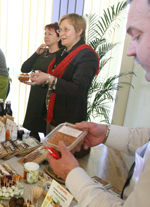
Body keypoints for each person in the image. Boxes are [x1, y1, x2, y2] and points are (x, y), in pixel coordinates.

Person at [47, 0, 150, 207]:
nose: (130, 51)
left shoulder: (85, 54)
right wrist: (106, 133)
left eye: (137, 36)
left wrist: (72, 174)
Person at [28, 13, 99, 157]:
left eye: (67, 29)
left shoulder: (86, 55)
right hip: (52, 115)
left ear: (79, 31)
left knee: (62, 160)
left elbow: (78, 88)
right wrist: (42, 79)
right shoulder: (62, 53)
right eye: (60, 30)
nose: (62, 34)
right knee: (51, 157)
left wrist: (48, 79)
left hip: (68, 118)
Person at [21, 22, 62, 141]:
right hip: (35, 94)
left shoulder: (60, 56)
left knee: (48, 133)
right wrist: (36, 53)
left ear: (59, 37)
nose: (46, 36)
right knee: (33, 130)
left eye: (50, 33)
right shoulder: (43, 53)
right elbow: (24, 68)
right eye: (45, 33)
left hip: (48, 96)